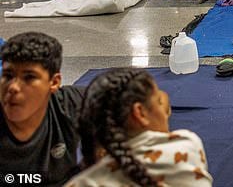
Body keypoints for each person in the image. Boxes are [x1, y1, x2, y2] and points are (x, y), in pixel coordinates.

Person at [66, 68, 213, 186]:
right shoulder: (185, 145)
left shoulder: (82, 182)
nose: (167, 112)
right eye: (159, 102)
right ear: (140, 113)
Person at [0, 32, 85, 187]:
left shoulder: (70, 104)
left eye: (29, 77)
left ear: (54, 82)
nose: (13, 87)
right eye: (8, 75)